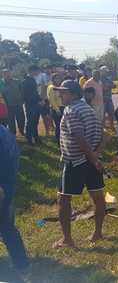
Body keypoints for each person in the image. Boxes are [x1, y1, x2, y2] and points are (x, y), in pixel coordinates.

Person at [53, 80, 105, 248]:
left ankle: (67, 240)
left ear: (73, 93)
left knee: (64, 199)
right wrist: (95, 157)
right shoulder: (87, 109)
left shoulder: (71, 110)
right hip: (91, 160)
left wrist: (93, 158)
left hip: (76, 161)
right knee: (98, 197)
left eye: (63, 92)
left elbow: (79, 138)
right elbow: (103, 134)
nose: (60, 95)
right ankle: (98, 233)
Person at [0, 125, 30, 274]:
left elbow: (4, 161)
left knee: (6, 226)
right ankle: (21, 262)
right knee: (7, 226)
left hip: (3, 187)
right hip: (7, 186)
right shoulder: (4, 131)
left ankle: (20, 262)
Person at [0, 69, 25, 136]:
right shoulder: (1, 84)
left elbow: (22, 90)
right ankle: (13, 134)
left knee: (21, 119)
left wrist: (22, 100)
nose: (7, 75)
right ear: (2, 75)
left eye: (8, 73)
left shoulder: (17, 81)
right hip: (8, 106)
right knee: (11, 121)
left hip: (18, 104)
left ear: (11, 74)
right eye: (5, 74)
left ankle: (21, 131)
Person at [22, 65, 42, 145]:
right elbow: (26, 96)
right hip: (30, 105)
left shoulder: (32, 80)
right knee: (30, 122)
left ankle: (36, 138)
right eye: (37, 70)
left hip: (36, 104)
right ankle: (29, 139)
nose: (38, 72)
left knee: (35, 122)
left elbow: (35, 93)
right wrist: (37, 101)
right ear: (32, 71)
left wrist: (39, 100)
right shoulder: (25, 81)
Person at [47, 73, 65, 144]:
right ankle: (59, 141)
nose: (58, 79)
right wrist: (57, 110)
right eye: (56, 78)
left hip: (63, 107)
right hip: (56, 109)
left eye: (59, 78)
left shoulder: (61, 86)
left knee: (63, 126)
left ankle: (63, 140)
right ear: (53, 79)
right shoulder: (52, 87)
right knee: (58, 126)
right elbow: (51, 100)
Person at [35, 67, 53, 137]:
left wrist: (42, 99)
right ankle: (49, 129)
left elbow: (45, 87)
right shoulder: (34, 77)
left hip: (43, 99)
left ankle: (47, 131)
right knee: (44, 115)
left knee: (45, 115)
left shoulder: (43, 76)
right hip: (37, 99)